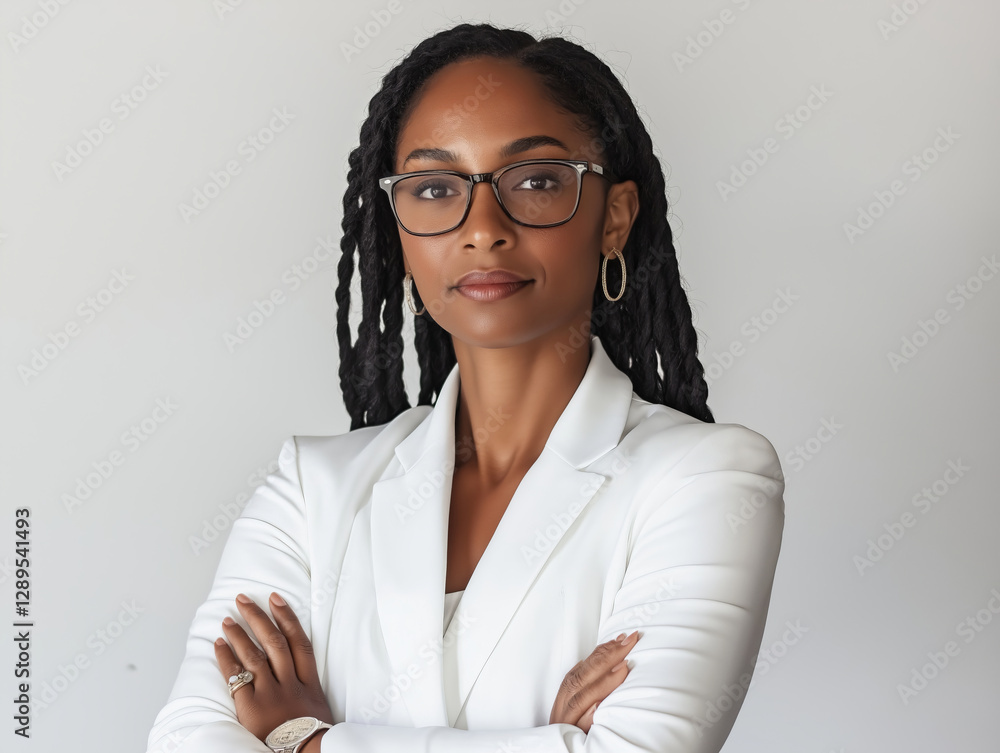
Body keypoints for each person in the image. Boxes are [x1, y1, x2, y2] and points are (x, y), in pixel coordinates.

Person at [146, 21, 785, 753]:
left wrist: (305, 739)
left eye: (537, 180)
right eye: (435, 187)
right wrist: (546, 739)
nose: (482, 227)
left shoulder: (705, 478)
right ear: (399, 230)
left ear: (614, 219)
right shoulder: (311, 488)